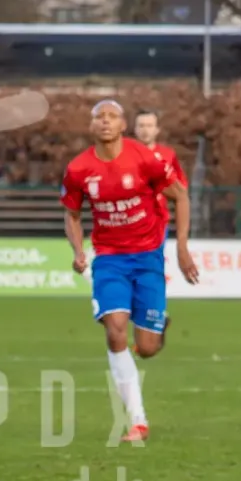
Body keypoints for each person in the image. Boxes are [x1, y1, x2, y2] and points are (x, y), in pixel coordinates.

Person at [61, 100, 199, 443]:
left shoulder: (144, 159)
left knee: (147, 347)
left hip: (148, 257)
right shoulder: (78, 169)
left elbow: (181, 196)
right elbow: (72, 214)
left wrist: (182, 248)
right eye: (99, 117)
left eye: (112, 116)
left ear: (123, 125)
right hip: (109, 259)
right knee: (115, 330)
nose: (105, 122)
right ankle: (138, 421)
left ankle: (158, 327)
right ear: (91, 126)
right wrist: (78, 251)